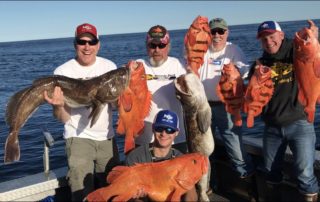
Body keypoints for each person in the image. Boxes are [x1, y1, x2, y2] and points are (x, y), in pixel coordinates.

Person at [44, 23, 119, 201]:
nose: (87, 47)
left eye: (91, 42)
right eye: (82, 41)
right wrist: (58, 106)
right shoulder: (62, 72)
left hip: (107, 138)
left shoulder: (109, 67)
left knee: (113, 189)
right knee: (81, 193)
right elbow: (63, 118)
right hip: (77, 139)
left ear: (98, 45)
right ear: (75, 44)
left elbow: (115, 106)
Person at [251, 20, 319, 201]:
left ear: (281, 35)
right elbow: (253, 96)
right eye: (264, 39)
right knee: (270, 171)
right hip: (271, 127)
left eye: (272, 36)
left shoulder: (295, 52)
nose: (268, 41)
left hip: (300, 123)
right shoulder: (260, 63)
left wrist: (312, 38)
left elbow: (312, 58)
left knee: (305, 173)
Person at [198, 17, 255, 180]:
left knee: (235, 147)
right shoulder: (200, 50)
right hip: (202, 107)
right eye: (213, 31)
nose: (217, 35)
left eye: (220, 31)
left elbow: (245, 70)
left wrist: (240, 69)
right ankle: (208, 183)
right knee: (203, 148)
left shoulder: (234, 50)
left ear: (227, 33)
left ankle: (248, 183)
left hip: (227, 106)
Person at [134, 25, 187, 153]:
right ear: (147, 47)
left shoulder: (180, 65)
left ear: (168, 46)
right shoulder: (137, 66)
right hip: (144, 138)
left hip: (175, 137)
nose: (157, 50)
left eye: (161, 46)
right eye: (152, 45)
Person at [126, 109, 198, 201]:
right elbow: (127, 193)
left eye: (169, 130)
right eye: (159, 128)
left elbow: (192, 196)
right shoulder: (136, 157)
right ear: (153, 128)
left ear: (176, 133)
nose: (164, 134)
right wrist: (135, 195)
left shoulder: (182, 160)